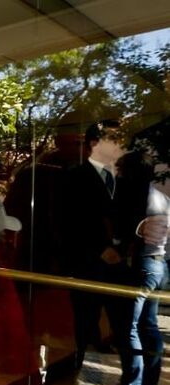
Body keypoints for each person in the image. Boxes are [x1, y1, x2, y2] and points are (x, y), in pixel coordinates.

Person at [97, 151, 169, 385]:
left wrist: (118, 245)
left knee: (128, 332)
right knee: (146, 327)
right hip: (155, 266)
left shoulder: (129, 190)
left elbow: (121, 229)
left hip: (137, 266)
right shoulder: (157, 195)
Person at [63, 120, 129, 371]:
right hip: (87, 261)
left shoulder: (124, 177)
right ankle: (91, 373)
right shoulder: (75, 177)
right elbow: (69, 221)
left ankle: (127, 373)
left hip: (120, 262)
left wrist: (122, 249)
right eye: (114, 139)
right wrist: (100, 249)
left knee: (122, 318)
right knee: (87, 318)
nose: (120, 145)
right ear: (94, 144)